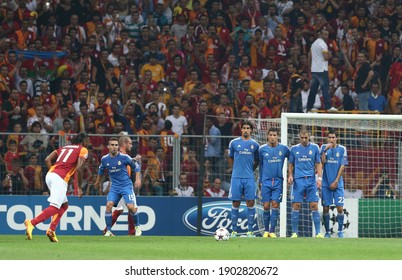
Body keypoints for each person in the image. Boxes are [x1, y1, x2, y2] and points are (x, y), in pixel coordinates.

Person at [24, 132, 90, 242]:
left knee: (64, 206)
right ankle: (32, 223)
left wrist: (54, 172)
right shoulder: (83, 149)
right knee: (54, 207)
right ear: (84, 141)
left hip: (50, 175)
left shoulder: (64, 147)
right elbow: (78, 168)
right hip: (59, 178)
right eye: (88, 141)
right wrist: (78, 188)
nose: (89, 143)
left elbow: (47, 159)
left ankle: (51, 230)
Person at [94, 137, 142, 236]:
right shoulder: (105, 159)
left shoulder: (124, 157)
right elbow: (101, 170)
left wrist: (137, 179)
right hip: (115, 187)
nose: (114, 147)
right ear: (108, 147)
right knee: (109, 205)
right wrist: (97, 181)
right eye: (112, 145)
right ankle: (108, 230)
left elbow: (136, 166)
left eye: (116, 145)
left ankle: (137, 228)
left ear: (118, 146)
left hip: (126, 186)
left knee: (131, 207)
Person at [288, 128, 324, 238]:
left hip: (311, 180)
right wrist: (290, 175)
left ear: (309, 137)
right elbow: (290, 163)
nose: (304, 140)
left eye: (306, 138)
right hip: (298, 180)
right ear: (299, 137)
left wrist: (319, 179)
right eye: (302, 138)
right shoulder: (294, 149)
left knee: (314, 205)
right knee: (296, 205)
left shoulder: (314, 147)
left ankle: (318, 233)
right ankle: (294, 233)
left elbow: (318, 163)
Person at [228, 120, 260, 238]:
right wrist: (234, 169)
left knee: (250, 202)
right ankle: (234, 231)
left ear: (251, 130)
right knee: (235, 202)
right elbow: (230, 157)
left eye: (248, 128)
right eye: (244, 128)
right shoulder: (234, 143)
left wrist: (251, 169)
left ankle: (250, 231)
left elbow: (257, 160)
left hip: (249, 177)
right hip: (236, 177)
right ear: (241, 129)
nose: (246, 130)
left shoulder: (255, 145)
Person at [258, 127, 289, 238]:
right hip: (265, 181)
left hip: (278, 181)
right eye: (270, 135)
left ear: (278, 136)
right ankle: (266, 231)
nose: (272, 137)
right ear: (267, 136)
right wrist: (260, 180)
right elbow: (260, 165)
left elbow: (292, 159)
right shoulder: (262, 149)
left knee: (275, 205)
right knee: (266, 206)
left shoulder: (284, 149)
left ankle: (272, 231)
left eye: (275, 135)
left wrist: (291, 174)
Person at [321, 130, 348, 238]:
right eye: (329, 137)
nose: (331, 140)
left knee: (340, 208)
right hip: (325, 184)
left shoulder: (342, 149)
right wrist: (324, 151)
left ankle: (340, 231)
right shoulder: (323, 147)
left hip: (338, 183)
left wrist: (336, 180)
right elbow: (322, 163)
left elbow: (343, 165)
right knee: (325, 208)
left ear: (337, 138)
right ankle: (327, 231)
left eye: (333, 137)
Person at [307, 29, 337, 112]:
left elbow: (309, 56)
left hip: (314, 70)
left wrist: (310, 67)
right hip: (322, 70)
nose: (326, 36)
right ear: (320, 34)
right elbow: (326, 57)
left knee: (313, 90)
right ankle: (328, 106)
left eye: (327, 34)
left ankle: (309, 108)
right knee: (325, 88)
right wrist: (330, 54)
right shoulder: (323, 44)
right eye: (325, 34)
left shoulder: (314, 44)